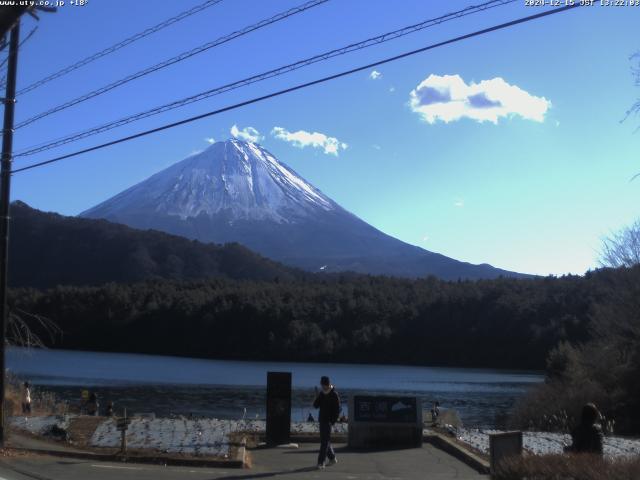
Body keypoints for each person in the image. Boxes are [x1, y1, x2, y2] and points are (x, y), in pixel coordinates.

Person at [313, 376, 340, 469]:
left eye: (324, 385)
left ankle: (321, 462)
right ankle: (332, 458)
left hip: (328, 421)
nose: (323, 387)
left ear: (328, 384)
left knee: (324, 442)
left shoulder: (334, 394)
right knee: (325, 441)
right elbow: (316, 406)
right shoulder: (322, 394)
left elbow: (337, 410)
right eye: (322, 385)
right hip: (322, 419)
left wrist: (333, 421)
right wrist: (317, 397)